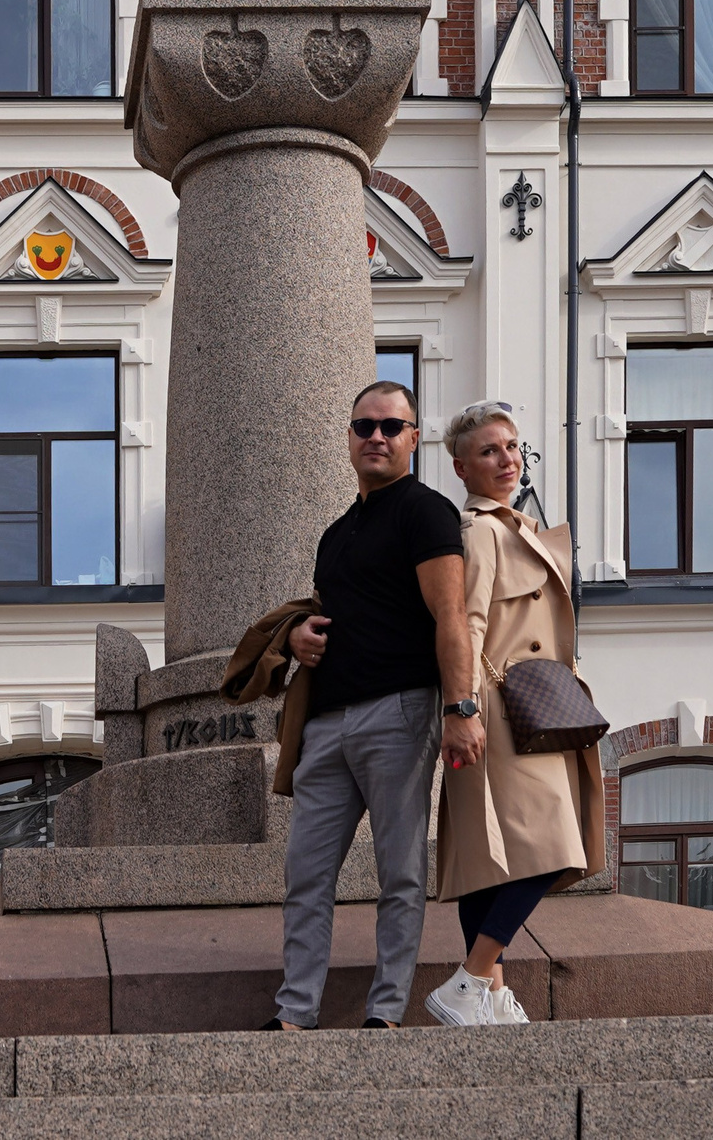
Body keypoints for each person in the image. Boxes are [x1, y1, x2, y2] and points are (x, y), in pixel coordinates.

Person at [265, 379, 475, 1030]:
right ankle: (295, 1009)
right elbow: (332, 613)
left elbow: (451, 615)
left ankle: (384, 1010)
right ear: (349, 437)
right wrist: (297, 636)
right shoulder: (336, 533)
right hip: (326, 723)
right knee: (305, 875)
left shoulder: (427, 511)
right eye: (364, 426)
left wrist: (460, 708)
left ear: (414, 436)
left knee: (401, 873)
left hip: (400, 711)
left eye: (391, 425)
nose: (376, 436)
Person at [424, 400, 609, 1029]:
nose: (507, 460)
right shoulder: (479, 532)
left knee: (491, 860)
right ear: (461, 468)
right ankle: (472, 979)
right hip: (501, 713)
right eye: (489, 451)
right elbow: (465, 626)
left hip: (534, 709)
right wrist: (463, 709)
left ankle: (490, 991)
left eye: (513, 447)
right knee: (556, 847)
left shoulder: (517, 526)